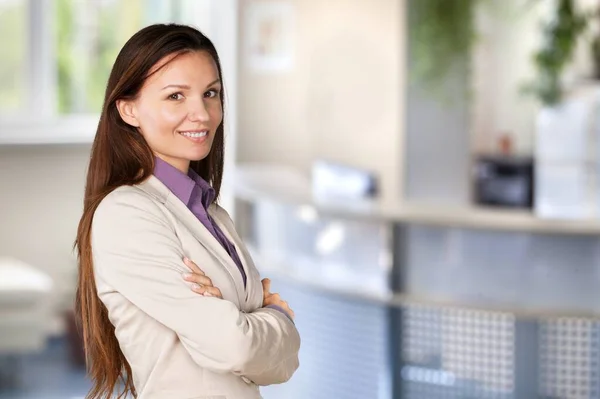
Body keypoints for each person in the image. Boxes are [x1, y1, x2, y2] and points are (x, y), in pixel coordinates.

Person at [74, 23, 300, 399]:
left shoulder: (211, 212)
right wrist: (278, 319)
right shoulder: (125, 214)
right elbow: (237, 347)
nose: (202, 113)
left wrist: (243, 325)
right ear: (129, 109)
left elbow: (282, 364)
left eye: (211, 93)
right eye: (176, 96)